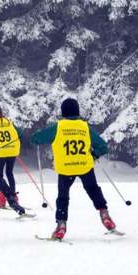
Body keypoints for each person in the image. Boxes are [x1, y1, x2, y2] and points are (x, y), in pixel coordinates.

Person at [31, 98, 121, 240]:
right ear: (77, 112)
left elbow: (37, 138)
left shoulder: (58, 126)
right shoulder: (84, 127)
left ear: (63, 112)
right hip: (84, 165)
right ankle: (104, 214)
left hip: (66, 168)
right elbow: (102, 146)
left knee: (63, 197)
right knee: (93, 189)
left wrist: (34, 138)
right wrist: (94, 155)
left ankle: (61, 226)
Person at [0, 103, 24, 208]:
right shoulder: (9, 122)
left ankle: (2, 198)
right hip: (12, 151)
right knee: (10, 173)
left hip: (0, 152)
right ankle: (14, 196)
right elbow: (20, 134)